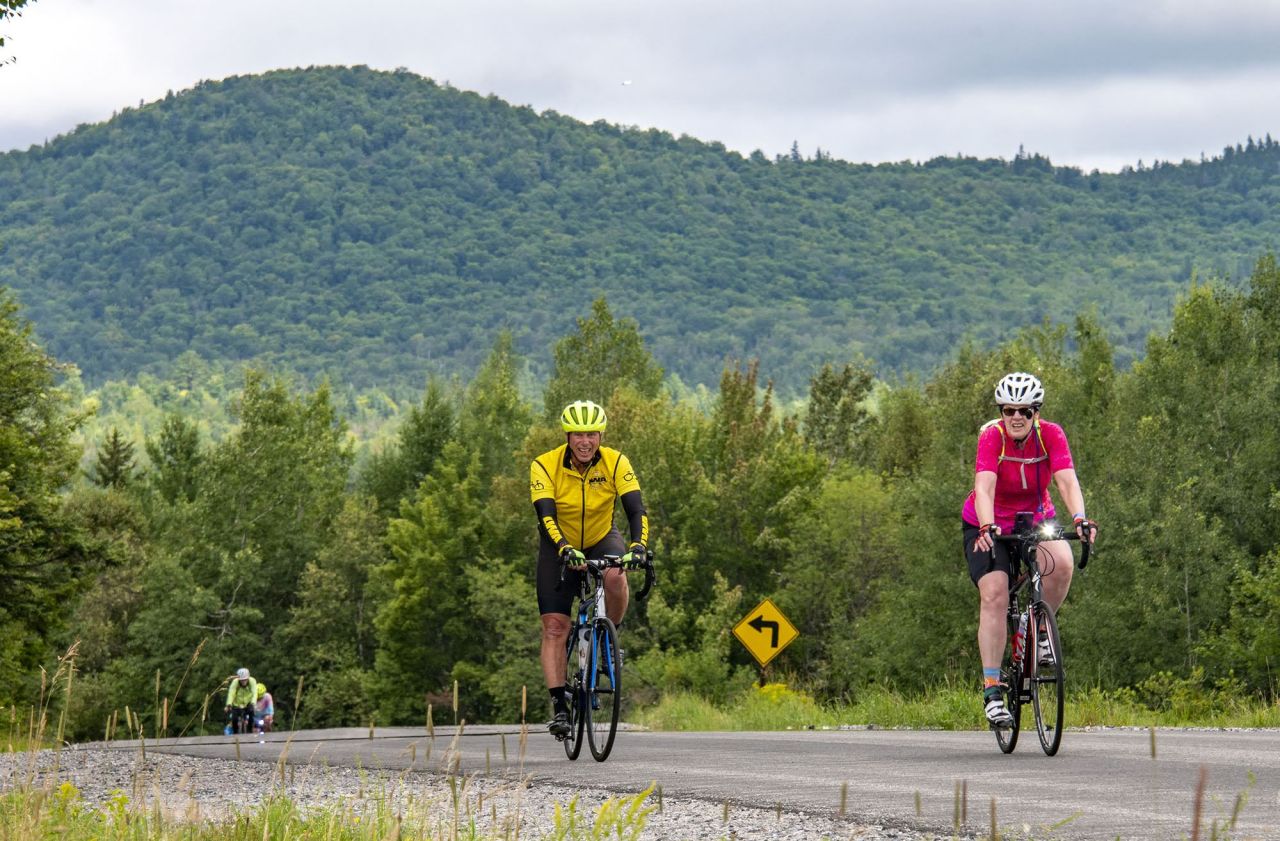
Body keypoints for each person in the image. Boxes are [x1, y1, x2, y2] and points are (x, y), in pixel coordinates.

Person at [962, 373, 1096, 728]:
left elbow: (1067, 479)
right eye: (1009, 410)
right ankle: (992, 690)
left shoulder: (1051, 434)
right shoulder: (993, 437)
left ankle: (1034, 625)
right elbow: (984, 487)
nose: (1016, 417)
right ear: (1001, 412)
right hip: (988, 522)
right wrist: (988, 525)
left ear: (1037, 411)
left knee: (1062, 563)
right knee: (994, 594)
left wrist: (1080, 518)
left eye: (1025, 410)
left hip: (1036, 519)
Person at [530, 400, 648, 738]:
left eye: (592, 434)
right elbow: (546, 516)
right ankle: (559, 707)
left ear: (600, 435)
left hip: (601, 537)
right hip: (558, 545)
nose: (586, 441)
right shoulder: (544, 465)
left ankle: (609, 637)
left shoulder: (615, 462)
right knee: (555, 626)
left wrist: (638, 546)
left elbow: (636, 509)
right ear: (568, 436)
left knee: (615, 574)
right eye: (579, 434)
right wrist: (565, 549)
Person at [224, 667, 258, 734]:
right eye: (242, 680)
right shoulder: (235, 682)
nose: (244, 682)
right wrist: (229, 704)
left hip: (248, 703)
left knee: (252, 713)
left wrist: (253, 703)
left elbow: (255, 692)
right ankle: (235, 733)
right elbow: (231, 693)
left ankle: (250, 730)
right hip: (237, 704)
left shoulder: (252, 681)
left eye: (245, 680)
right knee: (234, 718)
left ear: (248, 678)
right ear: (239, 679)